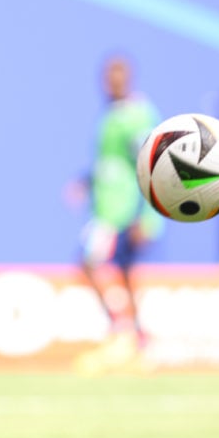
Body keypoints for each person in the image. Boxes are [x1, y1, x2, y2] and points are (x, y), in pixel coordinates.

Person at [74, 53, 163, 375]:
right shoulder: (112, 114)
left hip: (119, 213)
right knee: (124, 275)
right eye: (107, 75)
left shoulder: (137, 116)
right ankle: (139, 342)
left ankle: (120, 333)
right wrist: (86, 182)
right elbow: (113, 163)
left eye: (118, 75)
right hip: (107, 207)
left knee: (88, 263)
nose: (111, 82)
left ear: (129, 78)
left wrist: (150, 218)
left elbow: (152, 165)